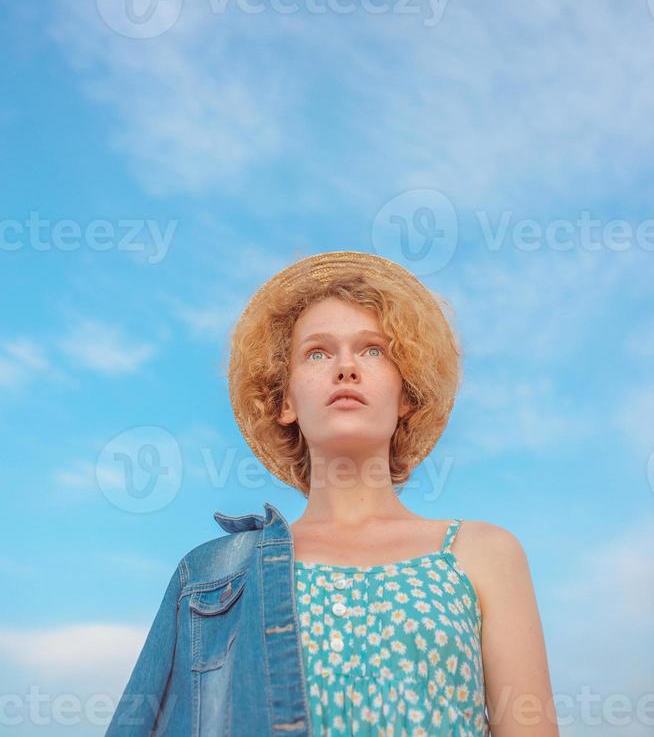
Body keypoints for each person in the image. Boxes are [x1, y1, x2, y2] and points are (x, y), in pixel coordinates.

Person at [106, 250, 559, 736]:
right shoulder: (212, 575)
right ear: (285, 401)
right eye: (317, 353)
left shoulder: (485, 554)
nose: (346, 367)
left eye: (373, 350)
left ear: (406, 394)